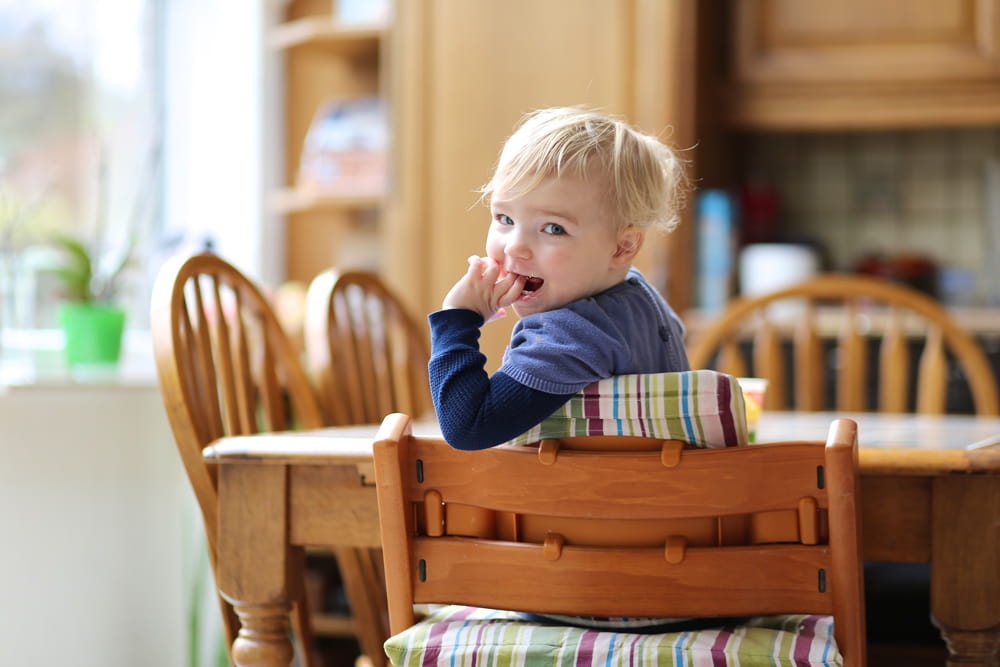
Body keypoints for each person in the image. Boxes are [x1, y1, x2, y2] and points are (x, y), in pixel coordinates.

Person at [428, 106, 690, 451]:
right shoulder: (640, 300)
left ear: (621, 247)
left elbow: (468, 427)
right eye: (505, 218)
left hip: (587, 487)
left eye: (553, 228)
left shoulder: (572, 334)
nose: (515, 245)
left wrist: (458, 320)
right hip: (650, 483)